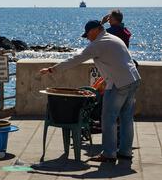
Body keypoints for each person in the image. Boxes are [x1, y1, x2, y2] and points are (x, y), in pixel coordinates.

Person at [40, 20, 141, 163]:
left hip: (119, 84)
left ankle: (109, 154)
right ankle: (125, 152)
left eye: (87, 34)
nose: (87, 38)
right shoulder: (114, 38)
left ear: (95, 30)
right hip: (133, 79)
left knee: (108, 118)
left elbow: (76, 59)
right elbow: (116, 62)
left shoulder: (98, 44)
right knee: (126, 118)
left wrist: (52, 69)